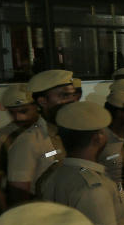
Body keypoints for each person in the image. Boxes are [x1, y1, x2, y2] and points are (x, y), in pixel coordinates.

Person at [7, 70, 77, 201]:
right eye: (64, 96)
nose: (71, 101)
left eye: (72, 95)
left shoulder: (78, 131)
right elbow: (19, 195)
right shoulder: (28, 141)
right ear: (43, 101)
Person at [0, 84, 39, 211]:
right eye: (12, 112)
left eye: (23, 111)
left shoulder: (52, 132)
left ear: (36, 106)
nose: (18, 117)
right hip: (24, 205)